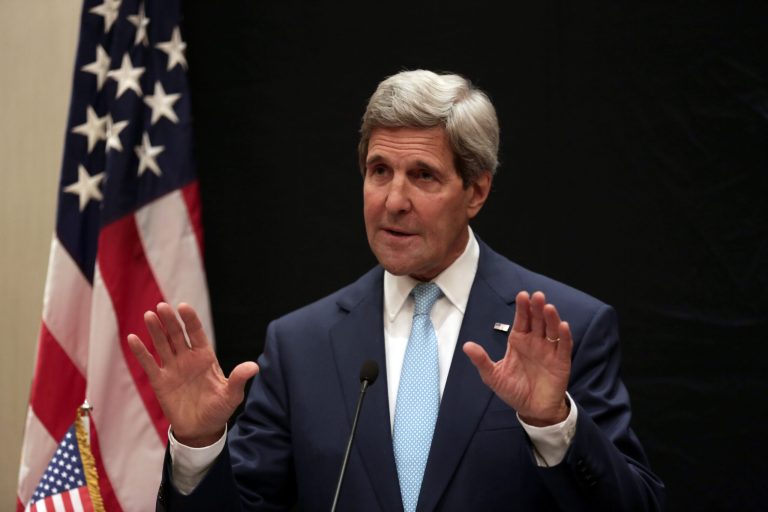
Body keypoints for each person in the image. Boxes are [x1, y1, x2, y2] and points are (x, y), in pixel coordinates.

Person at [128, 69, 665, 511]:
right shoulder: (301, 345)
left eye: (423, 176)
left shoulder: (565, 329)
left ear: (476, 190)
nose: (393, 200)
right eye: (379, 170)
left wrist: (552, 424)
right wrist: (199, 446)